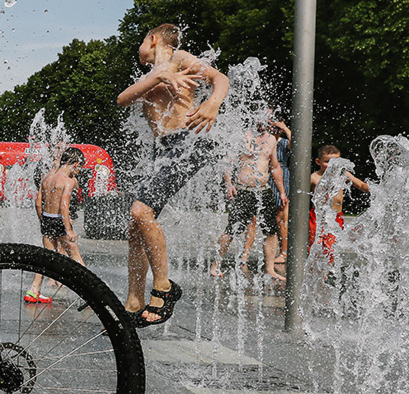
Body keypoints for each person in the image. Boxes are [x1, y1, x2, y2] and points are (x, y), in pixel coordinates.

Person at [116, 24, 229, 327]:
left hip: (187, 142)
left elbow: (220, 78)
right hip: (164, 148)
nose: (138, 47)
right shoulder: (154, 75)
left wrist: (212, 103)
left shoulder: (179, 58)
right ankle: (133, 301)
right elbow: (122, 99)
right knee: (134, 226)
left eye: (141, 40)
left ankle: (163, 288)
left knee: (141, 211)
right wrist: (158, 77)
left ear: (153, 39)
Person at [209, 118, 288, 282]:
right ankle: (216, 264)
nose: (266, 122)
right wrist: (229, 184)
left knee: (271, 231)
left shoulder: (272, 139)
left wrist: (281, 191)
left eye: (269, 118)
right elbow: (229, 163)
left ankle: (270, 269)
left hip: (264, 191)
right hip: (244, 190)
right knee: (231, 230)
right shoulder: (242, 137)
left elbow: (274, 167)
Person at [25, 146, 87, 304]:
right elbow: (64, 206)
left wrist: (43, 222)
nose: (79, 172)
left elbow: (38, 202)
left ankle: (33, 291)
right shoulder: (69, 181)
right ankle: (91, 293)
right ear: (75, 163)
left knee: (46, 258)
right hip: (60, 221)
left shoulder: (47, 177)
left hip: (47, 219)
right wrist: (68, 230)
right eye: (80, 168)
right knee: (75, 256)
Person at [308, 144, 368, 260]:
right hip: (317, 217)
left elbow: (360, 185)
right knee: (315, 247)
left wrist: (376, 190)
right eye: (327, 161)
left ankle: (324, 275)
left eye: (335, 161)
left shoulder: (343, 175)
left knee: (331, 249)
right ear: (318, 161)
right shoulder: (314, 177)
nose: (331, 165)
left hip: (336, 218)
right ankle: (313, 272)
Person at [270, 117, 291, 266]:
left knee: (280, 216)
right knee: (256, 218)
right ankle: (245, 253)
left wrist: (285, 128)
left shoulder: (283, 142)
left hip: (281, 176)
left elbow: (297, 146)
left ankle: (284, 252)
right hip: (265, 175)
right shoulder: (265, 140)